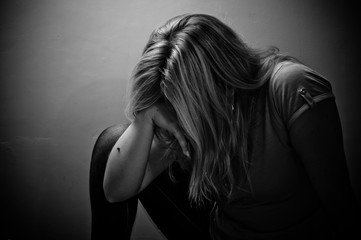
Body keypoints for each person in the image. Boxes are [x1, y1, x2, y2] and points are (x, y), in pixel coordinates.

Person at [89, 14, 360, 239]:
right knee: (111, 142)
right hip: (220, 233)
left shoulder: (289, 86)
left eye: (186, 107)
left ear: (218, 84)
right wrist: (145, 116)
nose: (182, 120)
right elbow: (115, 192)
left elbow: (340, 206)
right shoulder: (186, 113)